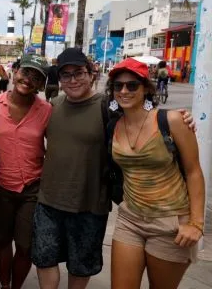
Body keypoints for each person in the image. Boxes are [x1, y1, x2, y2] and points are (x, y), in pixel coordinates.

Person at [31, 49, 195, 289]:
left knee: (81, 264)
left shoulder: (110, 107)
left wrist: (182, 118)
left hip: (89, 204)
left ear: (90, 74)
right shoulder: (52, 106)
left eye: (78, 73)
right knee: (44, 259)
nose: (73, 80)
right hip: (47, 201)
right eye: (66, 75)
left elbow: (144, 116)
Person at [106, 59, 205, 288]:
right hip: (130, 219)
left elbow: (194, 172)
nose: (124, 90)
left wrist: (196, 224)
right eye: (118, 86)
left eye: (132, 85)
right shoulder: (114, 125)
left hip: (170, 223)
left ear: (146, 89)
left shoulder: (172, 120)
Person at [0, 54, 52, 289]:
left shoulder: (46, 111)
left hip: (33, 188)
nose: (28, 79)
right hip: (0, 186)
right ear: (15, 72)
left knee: (25, 246)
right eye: (25, 72)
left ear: (41, 84)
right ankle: (4, 284)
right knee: (2, 240)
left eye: (36, 77)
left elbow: (56, 146)